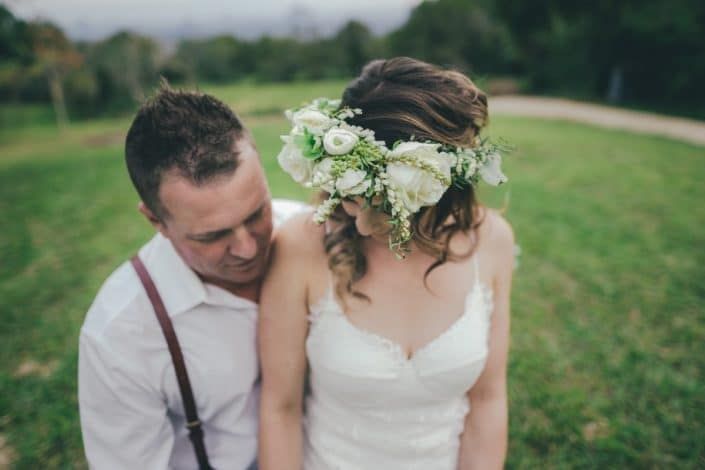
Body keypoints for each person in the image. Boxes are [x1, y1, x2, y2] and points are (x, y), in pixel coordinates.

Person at [258, 57, 514, 469]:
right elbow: (279, 408)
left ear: (436, 183)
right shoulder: (300, 247)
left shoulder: (493, 242)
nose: (357, 223)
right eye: (351, 194)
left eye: (375, 203)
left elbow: (487, 399)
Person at [78, 83, 303, 469]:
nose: (248, 248)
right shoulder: (119, 335)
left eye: (256, 214)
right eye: (211, 236)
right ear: (156, 221)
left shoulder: (310, 236)